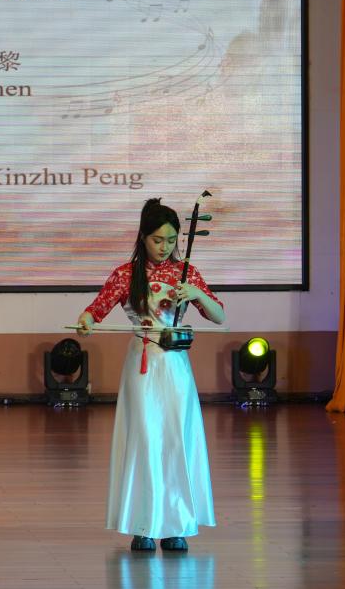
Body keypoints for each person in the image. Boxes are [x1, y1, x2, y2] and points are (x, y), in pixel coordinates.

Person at [76, 198, 225, 553]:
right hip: (142, 362)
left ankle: (176, 525)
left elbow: (219, 316)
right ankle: (142, 524)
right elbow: (96, 309)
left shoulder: (186, 273)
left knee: (175, 439)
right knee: (144, 438)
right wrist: (86, 321)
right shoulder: (126, 274)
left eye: (171, 240)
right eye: (158, 239)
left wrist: (197, 294)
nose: (164, 247)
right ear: (143, 237)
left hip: (175, 365)